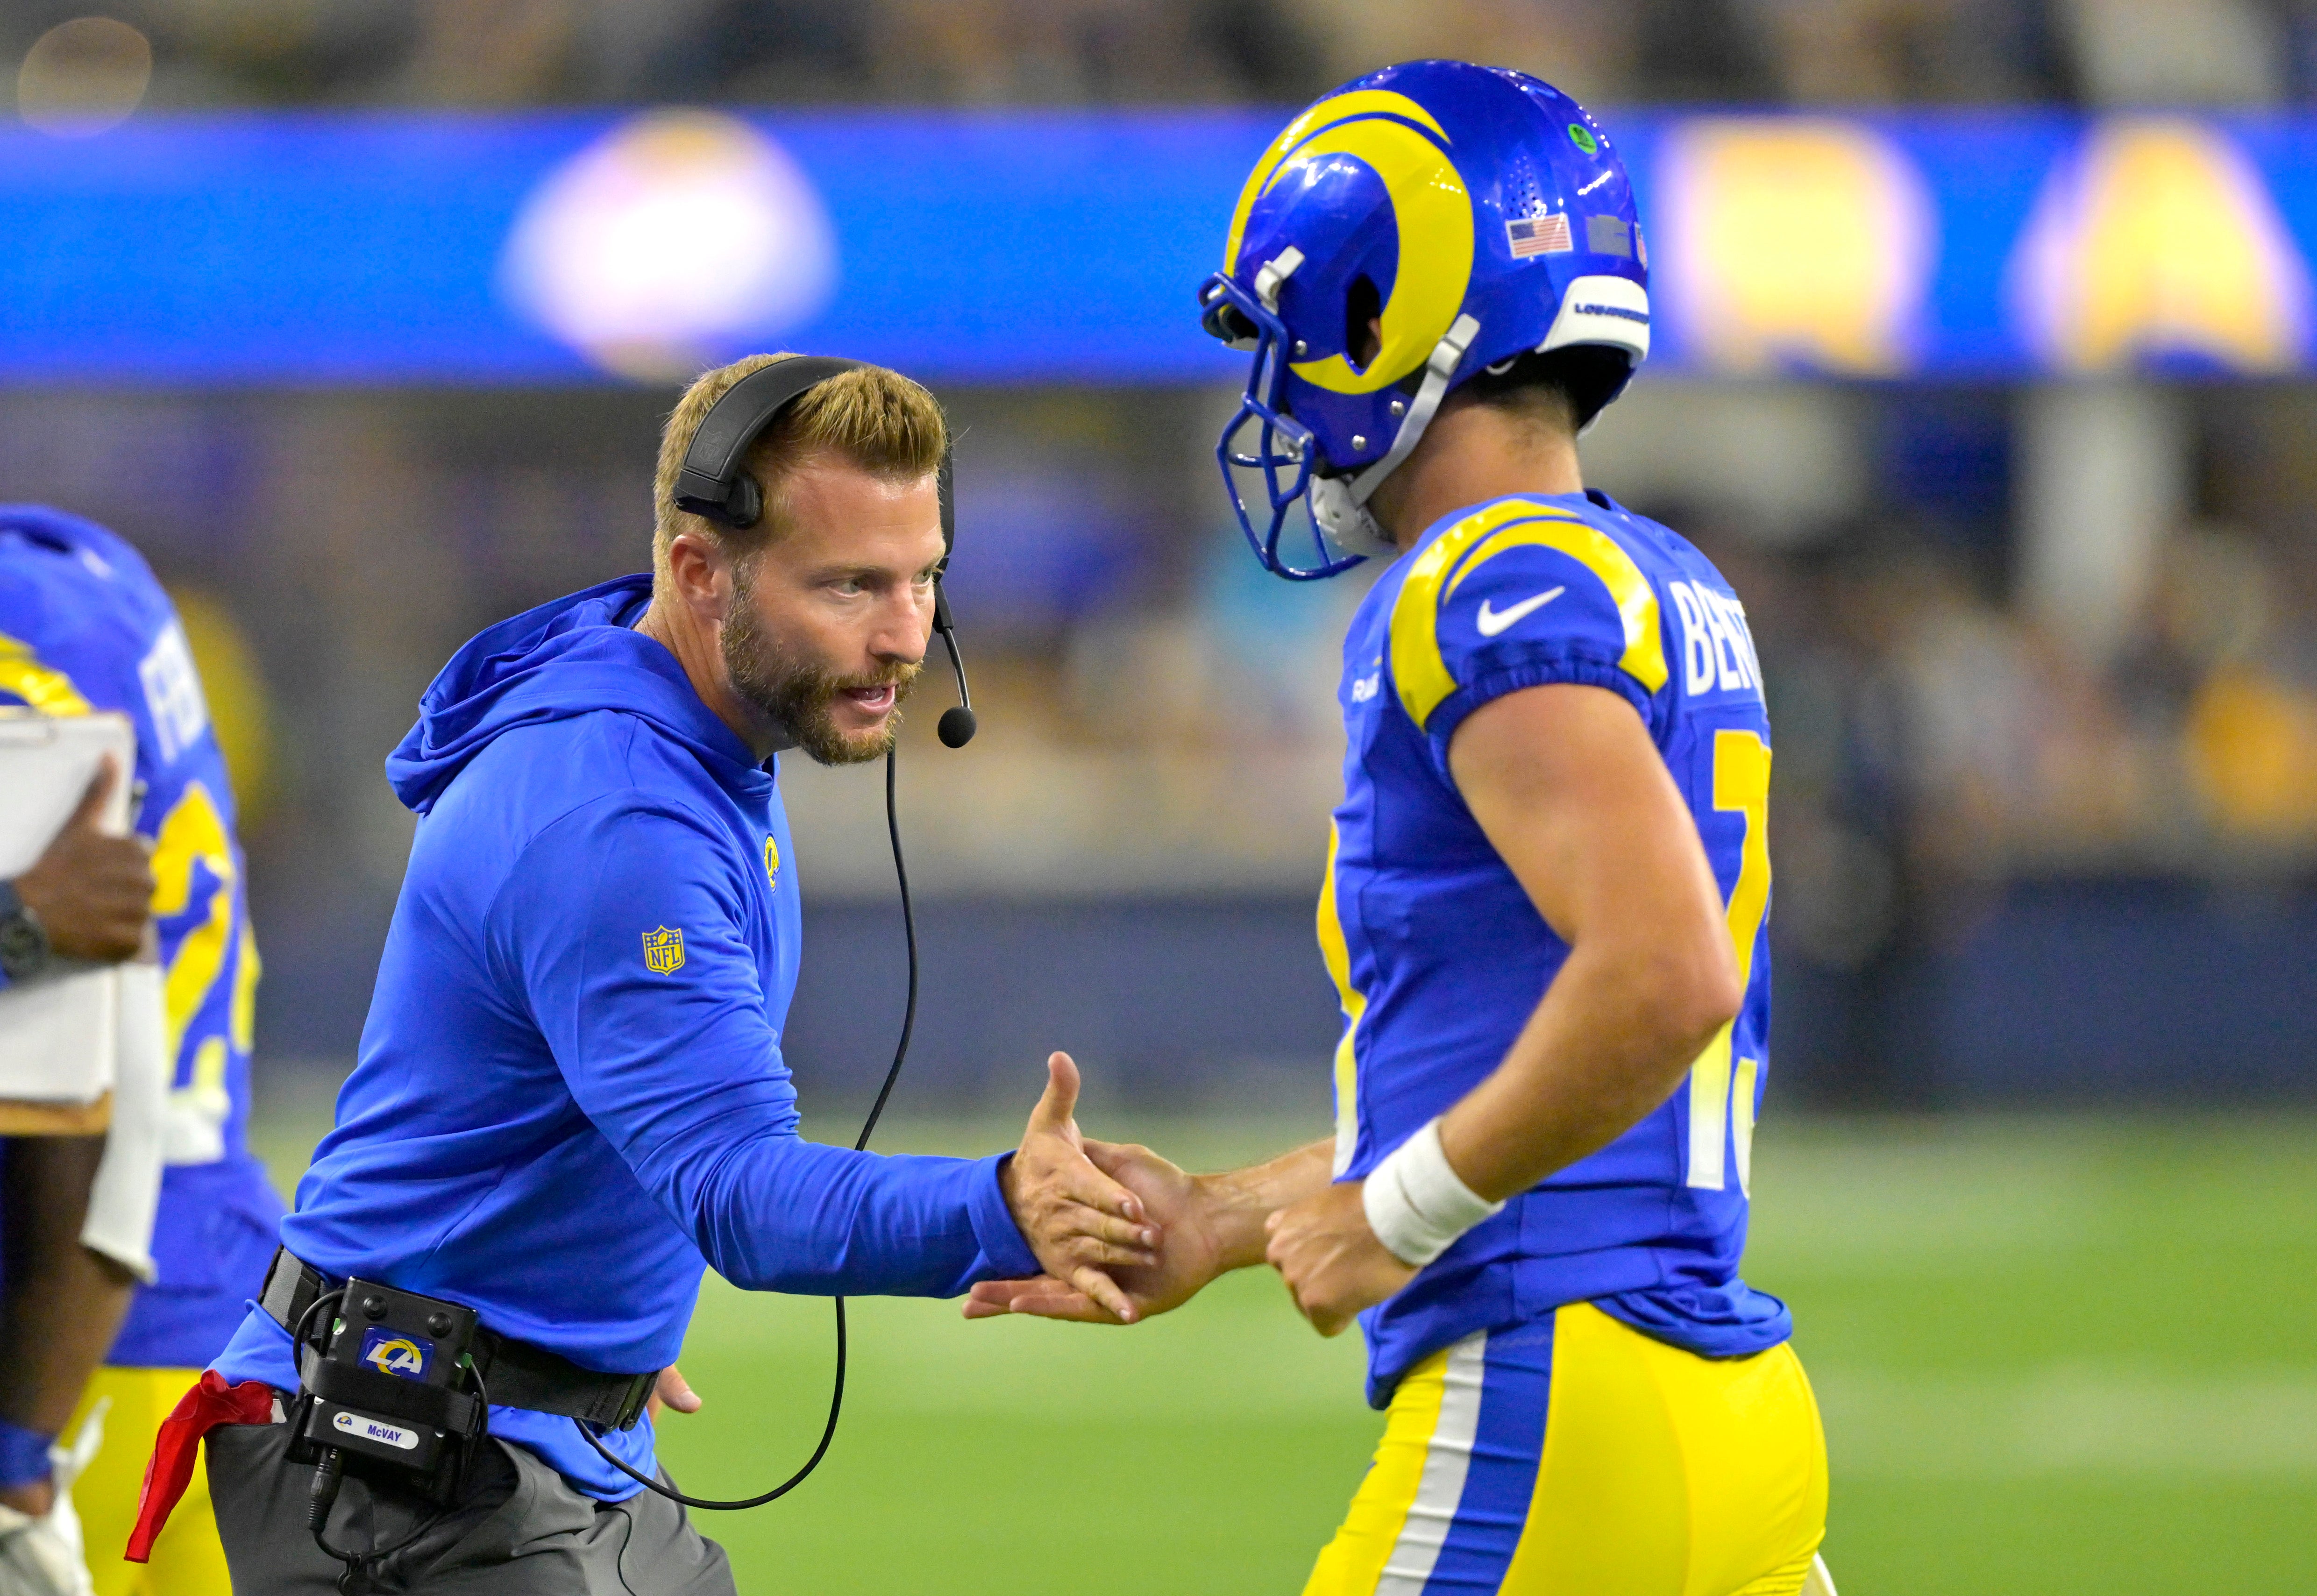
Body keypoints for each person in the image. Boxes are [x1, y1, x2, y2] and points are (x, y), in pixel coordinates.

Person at [967, 62, 1834, 1595]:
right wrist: (1230, 1217)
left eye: (1294, 337)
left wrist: (1399, 1206)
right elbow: (1548, 1051)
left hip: (1557, 1395)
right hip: (1721, 1413)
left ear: (1388, 312)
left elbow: (1662, 973)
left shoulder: (1478, 585)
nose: (1284, 389)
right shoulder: (1659, 574)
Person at [146, 356, 1155, 1594]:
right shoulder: (620, 811)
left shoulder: (697, 707)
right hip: (405, 1471)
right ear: (696, 570)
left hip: (535, 1429)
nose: (906, 636)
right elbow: (742, 1195)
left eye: (923, 577)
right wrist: (1011, 1207)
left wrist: (594, 1321)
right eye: (849, 584)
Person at [0, 504, 273, 1596]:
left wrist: (20, 1457)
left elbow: (72, 1080)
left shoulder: (30, 673)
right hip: (195, 1282)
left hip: (80, 1347)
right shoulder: (78, 573)